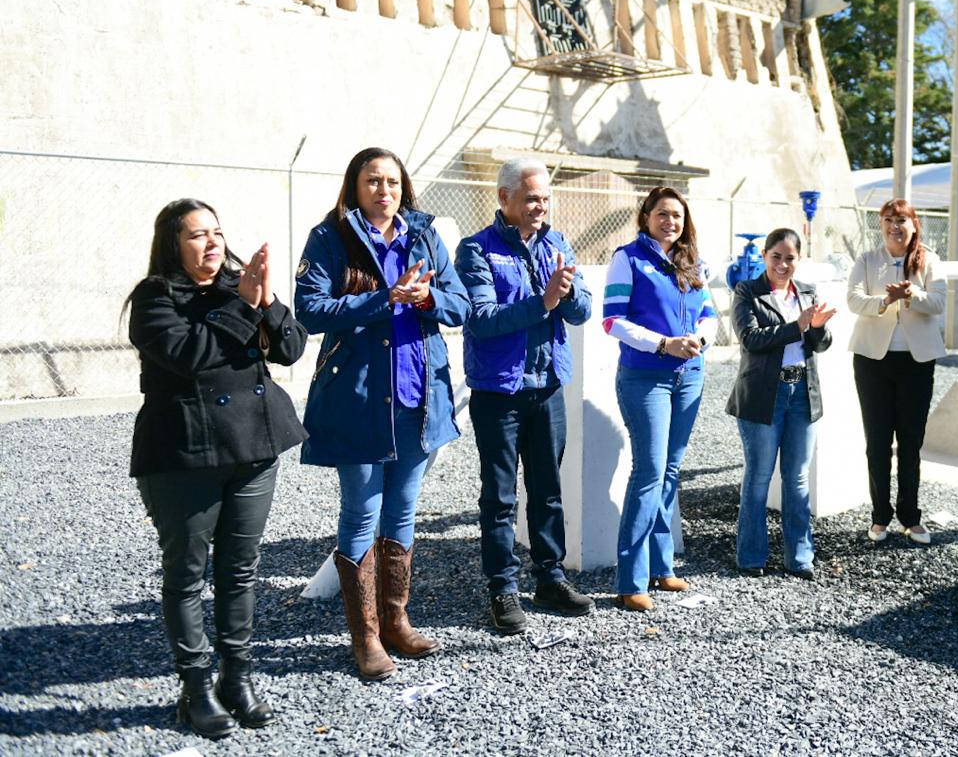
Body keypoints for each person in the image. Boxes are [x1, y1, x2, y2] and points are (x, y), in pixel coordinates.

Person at [127, 198, 306, 738]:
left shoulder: (240, 288)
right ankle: (195, 687)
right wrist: (245, 306)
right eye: (197, 236)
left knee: (239, 569)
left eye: (217, 233)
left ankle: (237, 676)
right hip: (184, 456)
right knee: (186, 574)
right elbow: (189, 355)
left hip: (252, 450)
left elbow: (291, 349)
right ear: (173, 246)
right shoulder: (155, 299)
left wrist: (267, 299)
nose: (213, 244)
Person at [295, 147, 470, 680]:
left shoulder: (424, 235)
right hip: (360, 400)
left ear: (404, 188)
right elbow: (310, 310)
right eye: (373, 180)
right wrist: (384, 298)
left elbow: (460, 305)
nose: (384, 190)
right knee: (361, 514)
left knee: (402, 513)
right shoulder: (331, 238)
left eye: (392, 181)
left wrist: (424, 299)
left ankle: (395, 619)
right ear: (355, 186)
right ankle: (365, 636)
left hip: (418, 400)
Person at [454, 158, 594, 635]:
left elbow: (583, 310)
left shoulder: (557, 243)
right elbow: (483, 319)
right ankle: (502, 588)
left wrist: (567, 296)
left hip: (547, 386)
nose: (541, 207)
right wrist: (544, 302)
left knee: (547, 491)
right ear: (504, 199)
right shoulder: (476, 251)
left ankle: (549, 577)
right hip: (499, 391)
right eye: (532, 198)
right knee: (499, 497)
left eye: (546, 198)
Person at [604, 186, 717, 611]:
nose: (671, 222)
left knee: (670, 471)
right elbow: (613, 321)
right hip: (645, 378)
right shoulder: (628, 258)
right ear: (646, 216)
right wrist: (663, 344)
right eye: (663, 214)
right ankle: (630, 580)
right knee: (649, 471)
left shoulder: (693, 263)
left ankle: (662, 567)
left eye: (678, 216)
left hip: (690, 376)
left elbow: (709, 314)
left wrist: (700, 339)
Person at [726, 228, 835, 578]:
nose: (783, 264)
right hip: (763, 396)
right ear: (764, 256)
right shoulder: (748, 291)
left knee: (797, 477)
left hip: (802, 392)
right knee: (758, 477)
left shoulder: (807, 292)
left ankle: (800, 557)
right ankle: (751, 556)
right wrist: (797, 326)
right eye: (777, 256)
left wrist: (816, 328)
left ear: (799, 259)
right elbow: (751, 339)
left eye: (790, 257)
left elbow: (821, 342)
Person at [847, 199, 946, 545]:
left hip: (917, 363)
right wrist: (885, 301)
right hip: (873, 361)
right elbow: (854, 300)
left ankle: (911, 516)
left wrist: (911, 294)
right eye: (888, 220)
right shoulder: (868, 259)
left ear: (915, 225)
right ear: (881, 225)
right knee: (877, 442)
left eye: (901, 220)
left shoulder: (929, 260)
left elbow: (939, 302)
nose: (895, 226)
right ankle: (879, 516)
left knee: (910, 442)